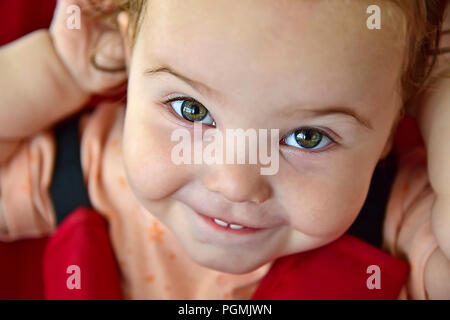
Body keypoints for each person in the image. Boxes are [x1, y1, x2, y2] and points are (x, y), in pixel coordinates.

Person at [0, 0, 449, 299]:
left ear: (392, 129)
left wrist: (440, 89)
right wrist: (58, 70)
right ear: (128, 57)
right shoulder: (88, 170)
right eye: (191, 110)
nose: (235, 184)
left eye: (307, 137)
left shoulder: (400, 216)